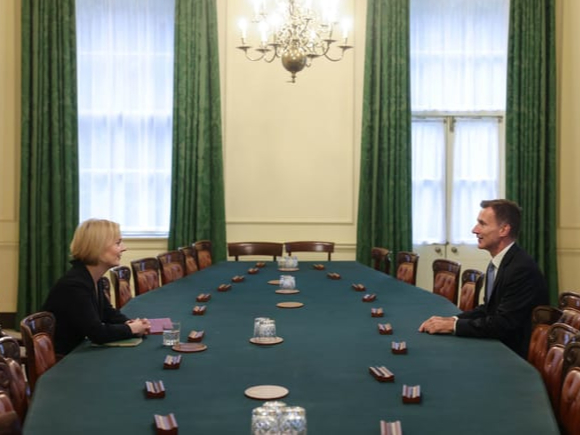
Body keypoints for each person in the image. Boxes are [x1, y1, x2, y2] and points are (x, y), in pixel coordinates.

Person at [418, 199, 549, 358]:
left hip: (513, 356)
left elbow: (503, 324)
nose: (475, 230)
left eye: (482, 224)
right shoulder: (500, 261)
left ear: (504, 230)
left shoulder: (521, 269)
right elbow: (489, 309)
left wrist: (454, 326)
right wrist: (451, 319)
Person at [43, 219, 151, 355]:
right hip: (64, 361)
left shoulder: (92, 277)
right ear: (98, 247)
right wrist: (131, 329)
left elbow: (107, 312)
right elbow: (97, 333)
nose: (124, 248)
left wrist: (130, 323)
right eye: (118, 243)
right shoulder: (74, 285)